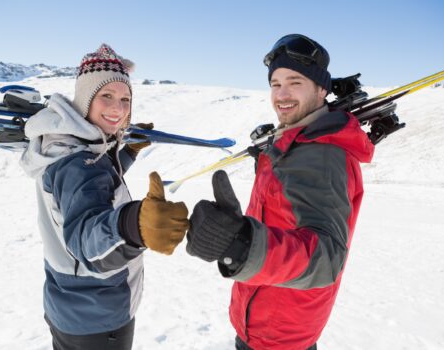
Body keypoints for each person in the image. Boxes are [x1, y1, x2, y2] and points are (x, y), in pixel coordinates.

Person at [186, 34, 375, 349]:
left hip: (280, 332)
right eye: (275, 84)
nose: (282, 95)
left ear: (321, 89)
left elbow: (327, 258)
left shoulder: (322, 155)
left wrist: (241, 243)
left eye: (295, 82)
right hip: (262, 318)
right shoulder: (295, 142)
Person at [20, 43, 189, 350]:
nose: (118, 108)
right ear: (85, 99)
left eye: (126, 99)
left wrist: (126, 155)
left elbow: (95, 189)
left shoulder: (72, 145)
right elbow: (86, 237)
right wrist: (133, 226)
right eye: (106, 96)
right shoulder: (80, 162)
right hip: (98, 317)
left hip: (70, 305)